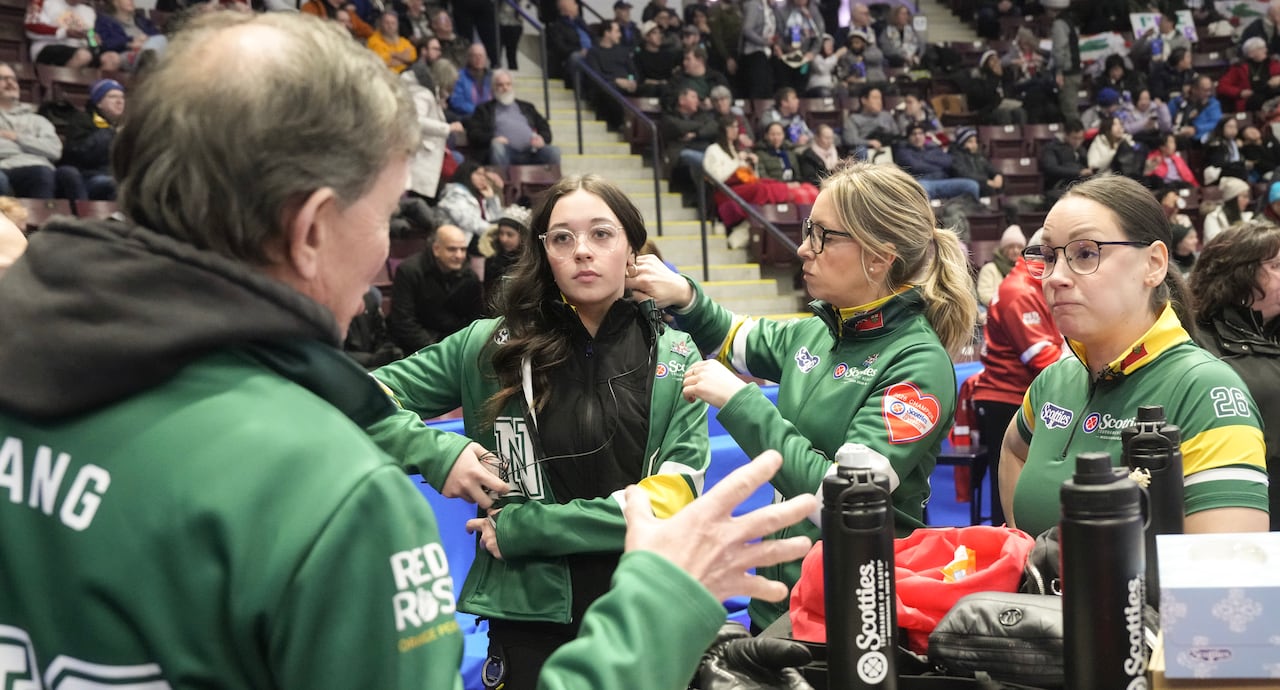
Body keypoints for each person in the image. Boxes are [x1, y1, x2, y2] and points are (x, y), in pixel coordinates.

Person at [0, 12, 819, 690]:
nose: (388, 253)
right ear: (314, 226)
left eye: (602, 234)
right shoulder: (335, 494)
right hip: (548, 614)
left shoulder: (34, 389)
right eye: (390, 213)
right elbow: (368, 402)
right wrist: (662, 606)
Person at [367, 174, 714, 688]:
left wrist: (528, 528)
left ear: (631, 250)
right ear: (544, 253)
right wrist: (433, 450)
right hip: (530, 618)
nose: (582, 252)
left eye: (601, 234)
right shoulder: (488, 345)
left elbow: (675, 499)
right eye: (562, 238)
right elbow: (358, 396)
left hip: (647, 605)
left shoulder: (676, 354)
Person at [627, 161, 978, 630]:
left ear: (877, 258)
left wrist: (742, 403)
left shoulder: (918, 363)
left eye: (822, 236)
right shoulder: (819, 330)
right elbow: (736, 335)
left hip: (851, 613)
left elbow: (843, 498)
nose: (802, 248)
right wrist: (684, 295)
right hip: (782, 601)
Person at [999, 174, 1269, 537]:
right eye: (1049, 256)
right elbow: (1012, 449)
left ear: (1154, 264)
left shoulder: (1204, 390)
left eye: (1085, 253)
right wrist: (1027, 559)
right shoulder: (1055, 380)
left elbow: (1228, 575)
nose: (1055, 277)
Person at [1189, 220, 1280, 530]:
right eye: (1276, 265)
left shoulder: (1272, 330)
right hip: (1240, 500)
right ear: (1239, 275)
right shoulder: (1194, 340)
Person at [971, 227, 1062, 529]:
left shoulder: (1036, 286)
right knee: (1009, 493)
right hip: (1006, 400)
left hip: (1025, 397)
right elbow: (1042, 359)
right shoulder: (1018, 292)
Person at [388, 224, 484, 354]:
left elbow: (475, 319)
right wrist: (436, 350)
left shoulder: (470, 277)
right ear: (436, 249)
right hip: (415, 347)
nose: (459, 255)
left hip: (452, 345)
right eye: (452, 249)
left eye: (463, 249)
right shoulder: (409, 271)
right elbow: (403, 321)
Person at [700, 114, 793, 247]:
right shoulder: (713, 150)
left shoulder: (736, 148)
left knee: (774, 184)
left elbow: (752, 176)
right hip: (725, 191)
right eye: (731, 127)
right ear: (723, 129)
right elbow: (715, 177)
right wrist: (737, 163)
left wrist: (751, 164)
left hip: (743, 186)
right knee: (761, 189)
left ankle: (766, 217)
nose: (735, 130)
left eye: (737, 126)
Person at [465, 70, 560, 169]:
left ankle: (555, 184)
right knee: (497, 147)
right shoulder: (484, 109)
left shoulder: (527, 107)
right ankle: (501, 183)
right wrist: (492, 139)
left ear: (512, 86)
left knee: (554, 151)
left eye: (508, 84)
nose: (505, 88)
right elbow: (473, 133)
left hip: (531, 152)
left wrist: (542, 138)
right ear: (494, 88)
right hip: (505, 153)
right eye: (500, 85)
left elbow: (544, 125)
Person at [61, 78, 124, 200]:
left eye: (122, 97)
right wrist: (110, 132)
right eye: (112, 97)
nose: (119, 101)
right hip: (90, 176)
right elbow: (81, 153)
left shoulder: (126, 125)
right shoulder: (82, 120)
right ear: (98, 102)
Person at [893, 124, 980, 201]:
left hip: (944, 181)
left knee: (972, 185)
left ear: (924, 135)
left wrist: (924, 158)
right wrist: (938, 165)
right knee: (922, 190)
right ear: (908, 137)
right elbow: (916, 166)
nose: (917, 136)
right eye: (914, 134)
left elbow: (948, 161)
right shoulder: (903, 152)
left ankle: (973, 214)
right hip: (922, 182)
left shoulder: (933, 148)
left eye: (920, 133)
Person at [437, 160, 504, 245]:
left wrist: (491, 199)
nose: (483, 178)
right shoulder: (455, 194)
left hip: (474, 238)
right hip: (455, 241)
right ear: (467, 174)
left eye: (484, 175)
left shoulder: (478, 196)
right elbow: (470, 222)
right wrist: (497, 231)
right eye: (478, 174)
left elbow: (495, 219)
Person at [481, 203, 531, 311]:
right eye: (501, 233)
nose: (504, 239)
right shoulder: (492, 259)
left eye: (510, 234)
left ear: (522, 236)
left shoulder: (528, 262)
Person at [1217, 36, 1280, 113]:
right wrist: (1239, 93)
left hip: (1273, 95)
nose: (1266, 50)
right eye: (1261, 48)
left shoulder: (1273, 63)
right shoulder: (1239, 67)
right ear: (1250, 53)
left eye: (1265, 47)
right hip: (1252, 100)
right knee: (1257, 100)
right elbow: (1222, 86)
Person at [975, 224, 1024, 308]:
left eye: (1019, 247)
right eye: (1011, 247)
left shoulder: (1025, 269)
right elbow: (984, 295)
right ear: (1004, 249)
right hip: (994, 310)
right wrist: (1008, 302)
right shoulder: (989, 269)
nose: (1016, 251)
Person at [949, 126, 1003, 197]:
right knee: (986, 188)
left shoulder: (978, 155)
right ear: (962, 143)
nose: (974, 145)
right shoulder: (955, 156)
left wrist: (997, 175)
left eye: (975, 141)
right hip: (971, 186)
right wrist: (986, 181)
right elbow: (963, 174)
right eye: (970, 142)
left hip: (986, 183)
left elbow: (989, 166)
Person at [1202, 176, 1253, 243]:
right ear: (1233, 199)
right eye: (1244, 196)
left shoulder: (1248, 217)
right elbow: (1215, 244)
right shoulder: (1213, 218)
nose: (1247, 201)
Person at [447, 43, 492, 117]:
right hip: (468, 117)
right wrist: (480, 111)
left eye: (481, 56)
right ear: (469, 58)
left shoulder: (492, 77)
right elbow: (457, 102)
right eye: (475, 56)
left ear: (486, 58)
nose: (478, 58)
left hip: (490, 117)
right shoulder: (459, 76)